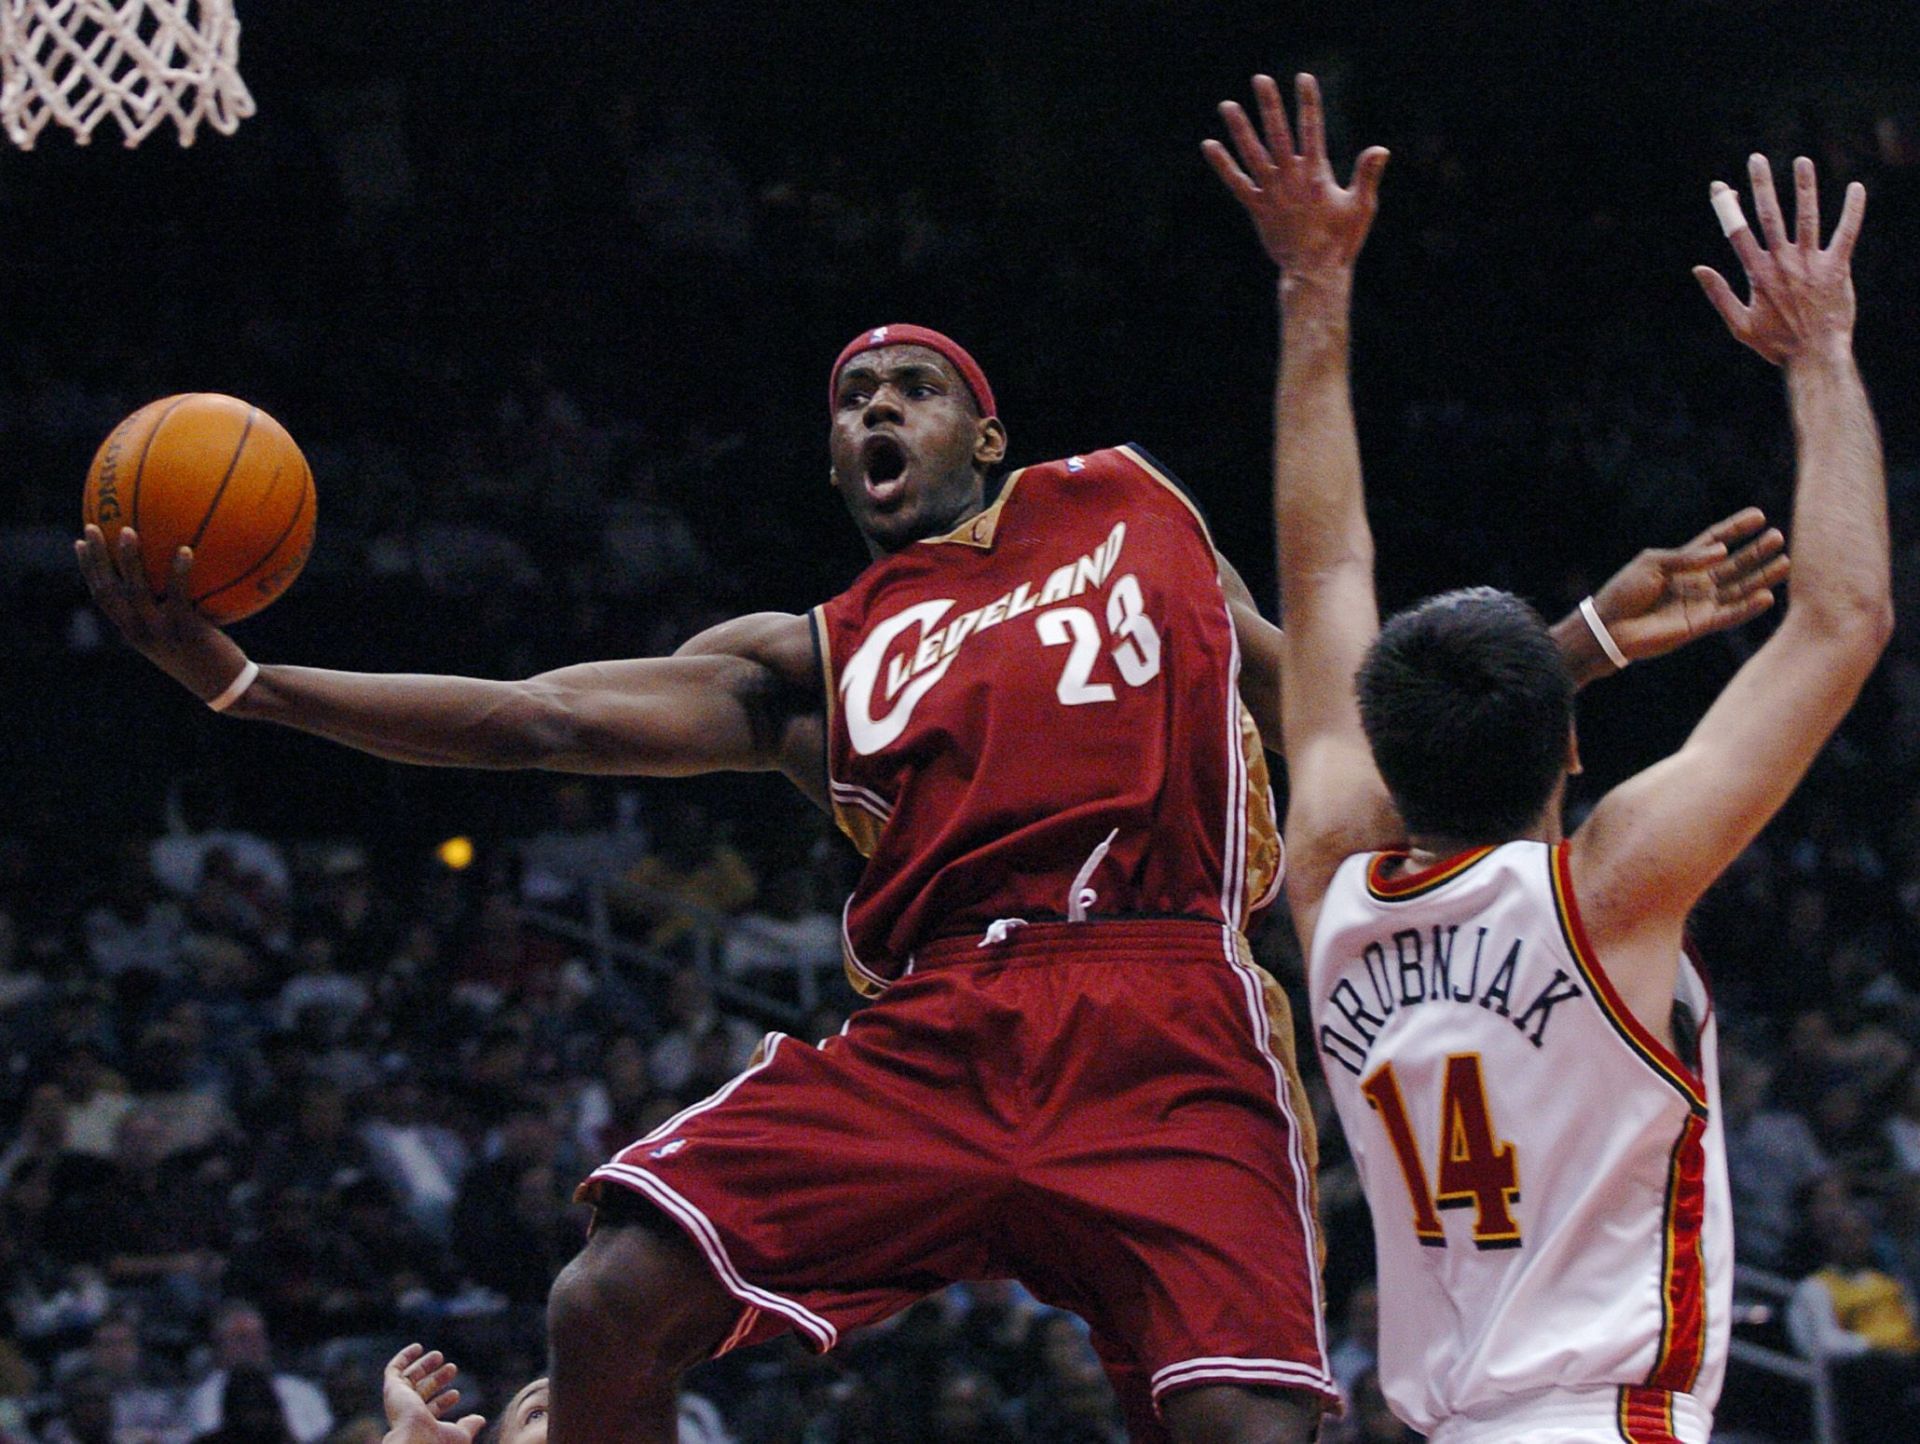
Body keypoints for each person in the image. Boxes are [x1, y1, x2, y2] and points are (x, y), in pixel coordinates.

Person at [82, 318, 1780, 1439]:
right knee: (606, 1300)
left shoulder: (1133, 513)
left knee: (1254, 1426)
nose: (875, 408)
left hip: (1169, 1010)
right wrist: (251, 688)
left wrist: (1575, 647)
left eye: (909, 388)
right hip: (939, 1022)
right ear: (838, 468)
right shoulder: (817, 651)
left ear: (987, 429)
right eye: (849, 402)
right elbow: (538, 722)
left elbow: (1345, 731)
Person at [1207, 69, 1884, 1444]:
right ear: (1575, 743)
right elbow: (1844, 615)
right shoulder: (1609, 893)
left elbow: (1328, 566)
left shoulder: (1332, 892)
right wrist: (1821, 352)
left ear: (1377, 752)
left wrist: (1313, 288)